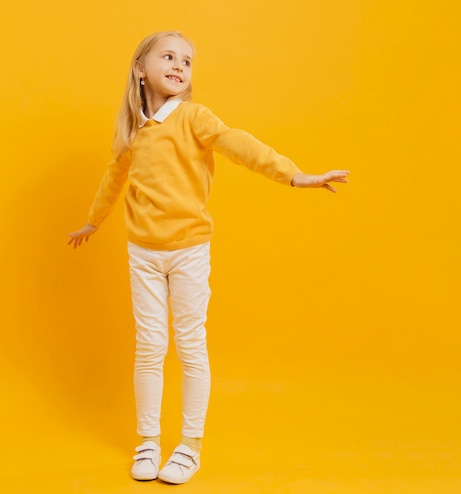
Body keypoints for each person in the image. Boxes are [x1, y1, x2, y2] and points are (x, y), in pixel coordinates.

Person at [68, 30, 349, 484]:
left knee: (190, 343)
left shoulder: (194, 117)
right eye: (169, 57)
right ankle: (148, 442)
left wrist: (294, 176)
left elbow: (241, 145)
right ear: (141, 69)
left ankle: (190, 447)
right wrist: (92, 221)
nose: (180, 66)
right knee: (150, 347)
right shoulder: (135, 131)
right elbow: (113, 179)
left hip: (188, 252)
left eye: (187, 61)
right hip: (143, 253)